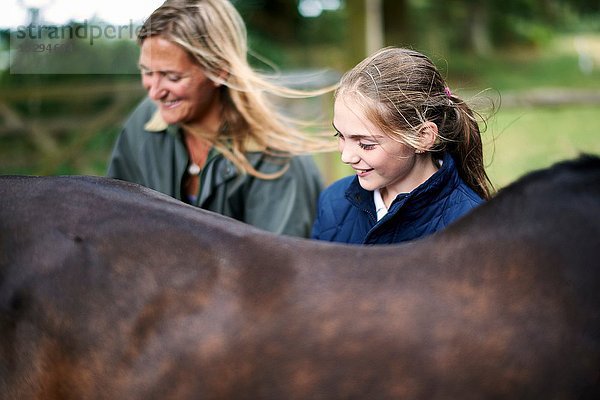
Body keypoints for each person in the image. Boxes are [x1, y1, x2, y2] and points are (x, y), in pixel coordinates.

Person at [107, 0, 334, 238]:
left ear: (218, 70)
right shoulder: (144, 121)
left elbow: (281, 268)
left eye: (172, 77)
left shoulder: (278, 162)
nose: (154, 92)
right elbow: (113, 219)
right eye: (147, 72)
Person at [312, 47, 494, 244]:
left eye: (366, 144)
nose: (346, 156)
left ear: (423, 137)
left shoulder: (473, 228)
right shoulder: (333, 202)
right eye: (340, 135)